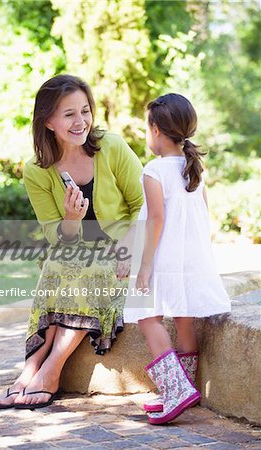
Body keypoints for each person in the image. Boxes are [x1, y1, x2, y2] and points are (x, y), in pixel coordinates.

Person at [0, 74, 143, 410]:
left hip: (120, 250)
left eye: (85, 111)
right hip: (72, 254)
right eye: (69, 114)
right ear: (48, 121)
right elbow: (54, 236)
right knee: (62, 264)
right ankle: (31, 370)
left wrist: (128, 251)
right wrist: (71, 220)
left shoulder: (112, 148)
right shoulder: (36, 170)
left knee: (79, 269)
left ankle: (48, 371)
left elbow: (142, 205)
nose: (81, 121)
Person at [124, 93, 231, 425]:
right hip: (191, 259)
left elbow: (156, 220)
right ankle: (182, 389)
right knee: (183, 319)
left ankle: (177, 390)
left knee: (147, 317)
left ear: (156, 129)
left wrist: (143, 267)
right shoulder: (192, 169)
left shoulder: (154, 170)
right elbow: (204, 217)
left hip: (163, 259)